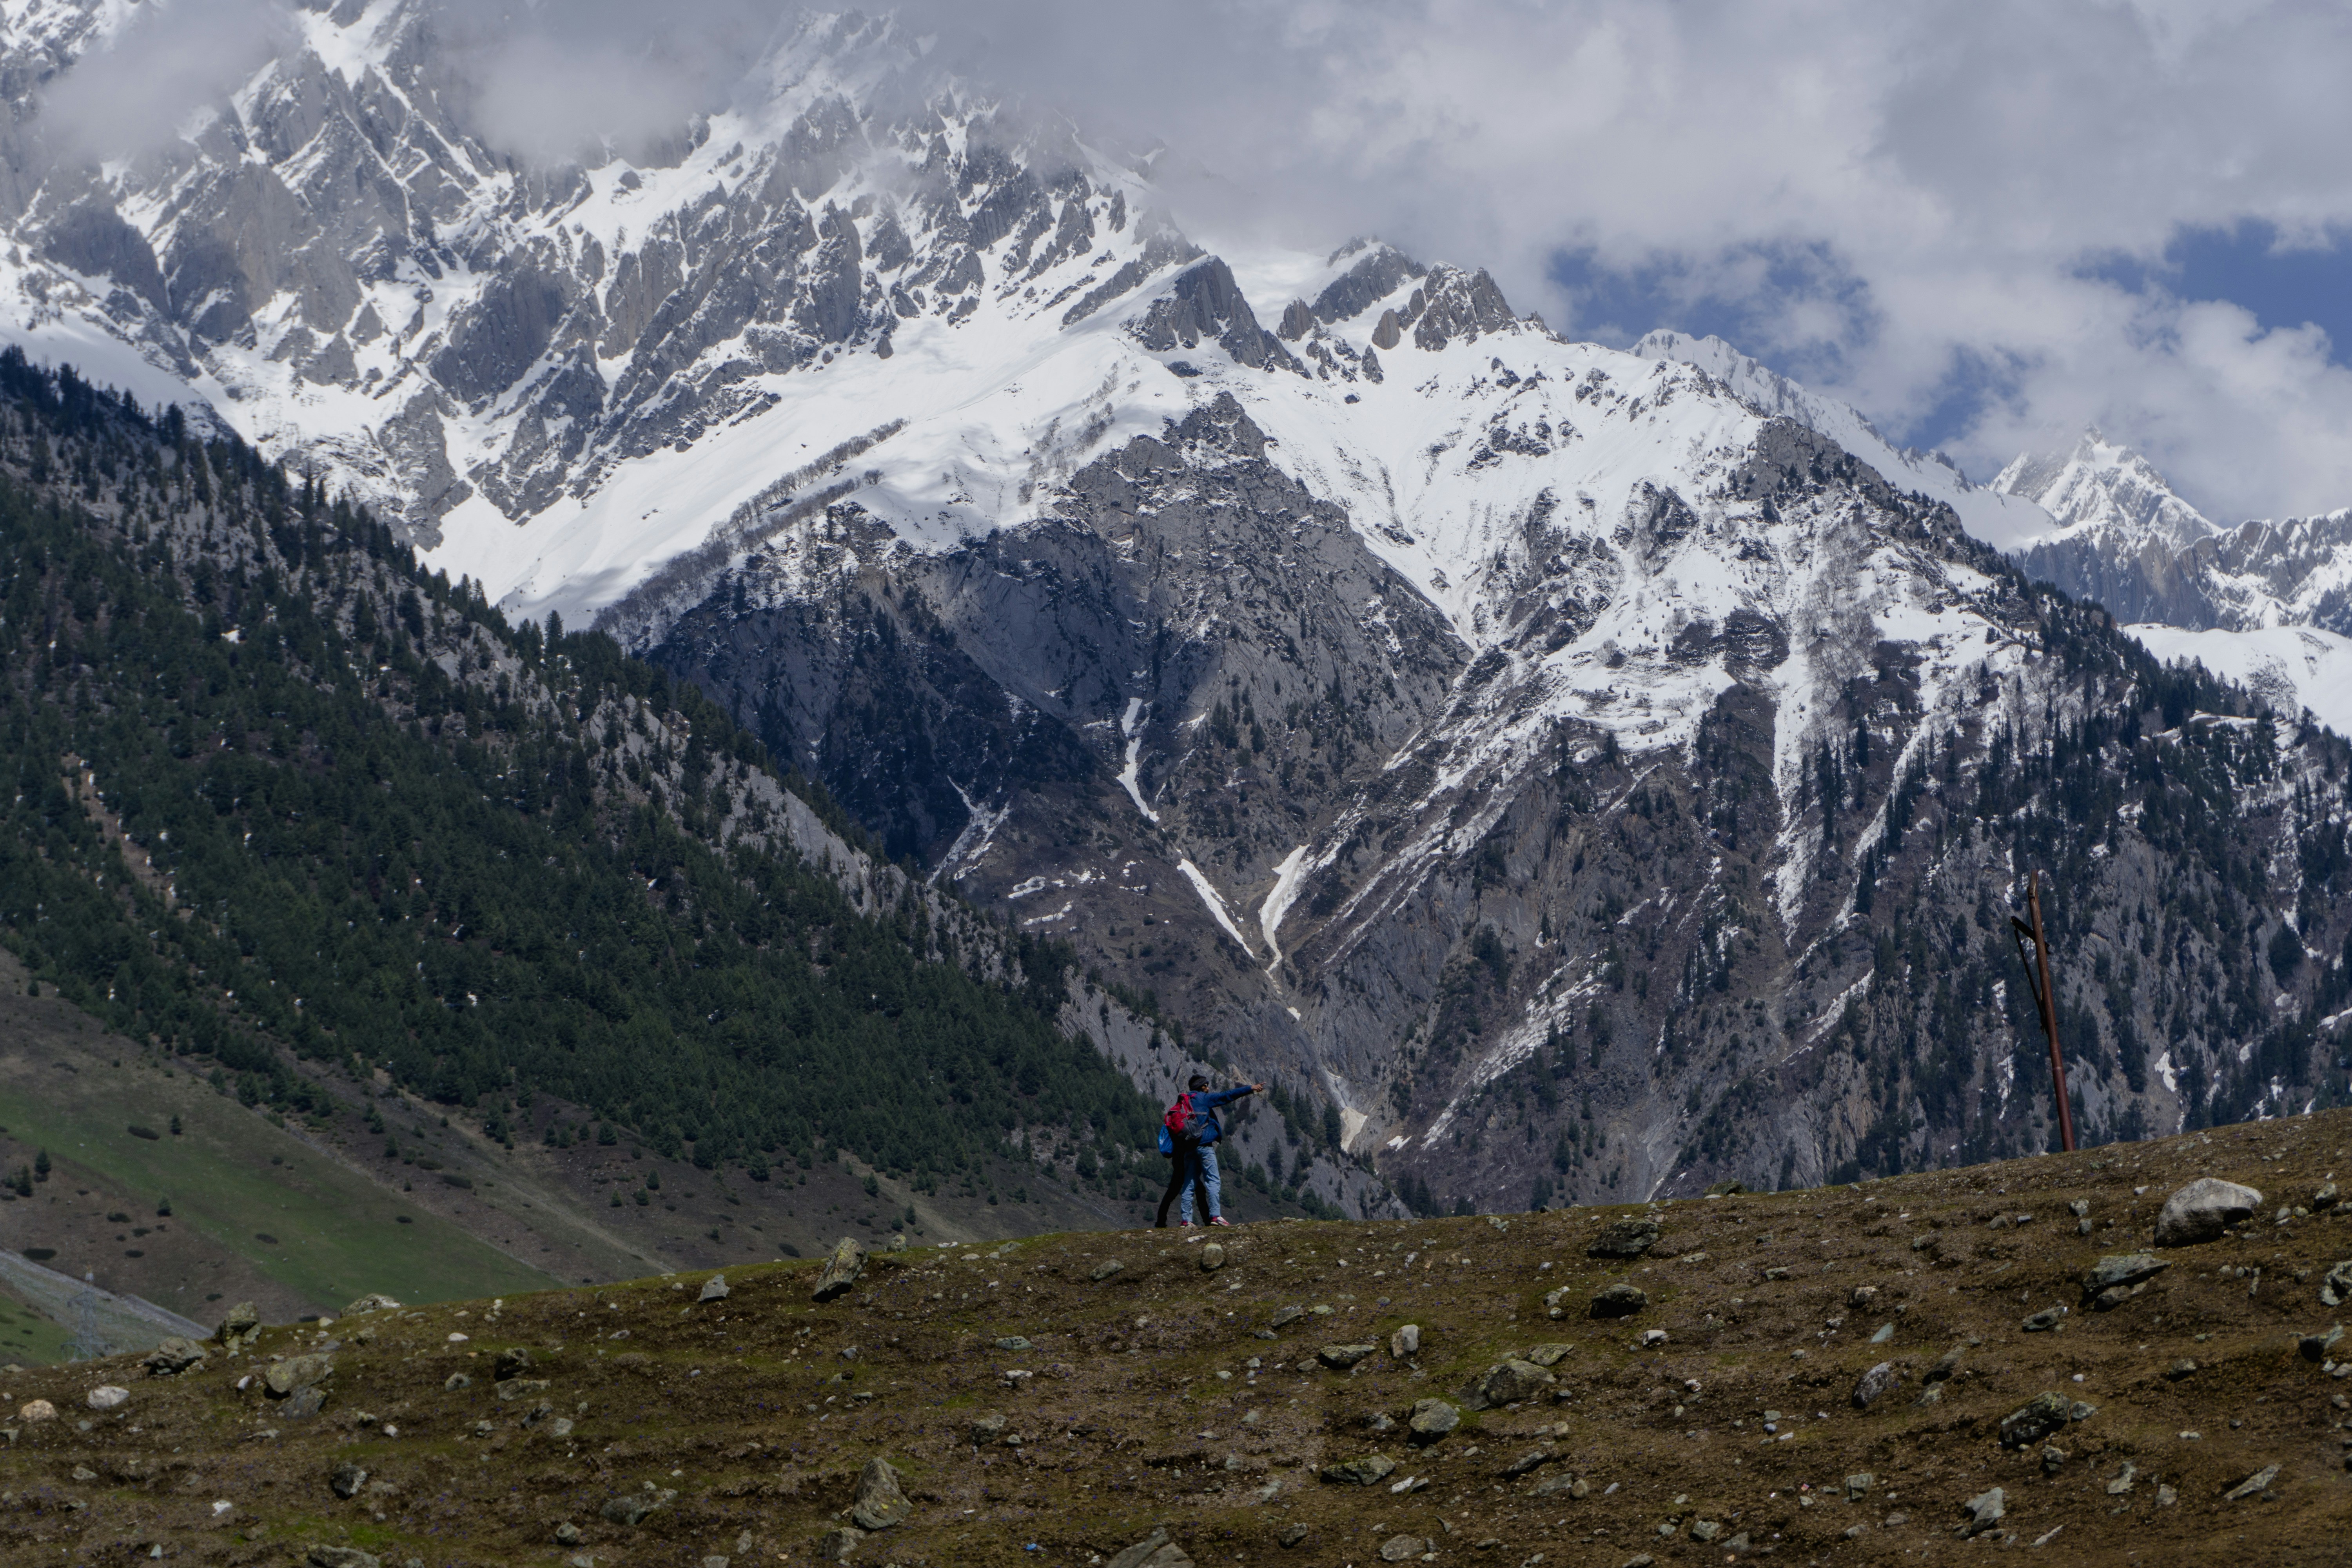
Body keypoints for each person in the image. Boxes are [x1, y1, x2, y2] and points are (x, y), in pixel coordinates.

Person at [1155, 1074, 1264, 1227]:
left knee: (1189, 1183)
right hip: (1204, 1145)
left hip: (1188, 1148)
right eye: (1206, 1085)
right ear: (1201, 1087)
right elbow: (1226, 1096)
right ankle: (1215, 1217)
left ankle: (1186, 1220)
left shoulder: (1183, 1102)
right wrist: (1250, 1088)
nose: (1208, 1088)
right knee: (1213, 1180)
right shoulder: (1203, 1098)